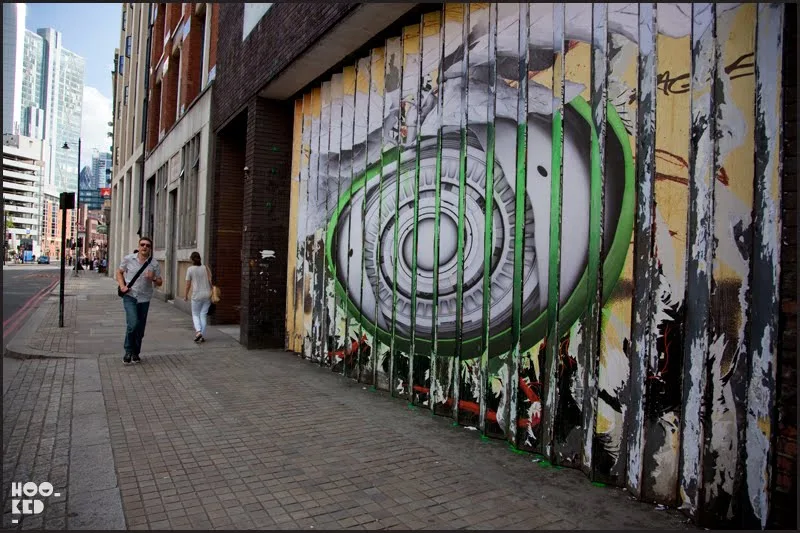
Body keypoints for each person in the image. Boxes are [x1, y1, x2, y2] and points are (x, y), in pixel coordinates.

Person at [116, 237, 162, 364]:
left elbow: (160, 282)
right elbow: (119, 272)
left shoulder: (154, 264)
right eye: (142, 244)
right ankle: (128, 351)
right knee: (133, 324)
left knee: (140, 328)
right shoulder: (129, 259)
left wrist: (153, 278)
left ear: (150, 248)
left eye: (147, 245)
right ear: (139, 246)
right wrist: (122, 286)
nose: (144, 247)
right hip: (130, 296)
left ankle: (136, 352)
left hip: (145, 298)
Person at [184, 251, 213, 343]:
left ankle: (198, 332)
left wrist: (185, 295)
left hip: (196, 295)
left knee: (195, 314)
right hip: (207, 294)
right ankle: (202, 335)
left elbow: (188, 284)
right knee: (203, 315)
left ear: (192, 260)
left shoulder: (190, 269)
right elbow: (210, 280)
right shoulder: (205, 267)